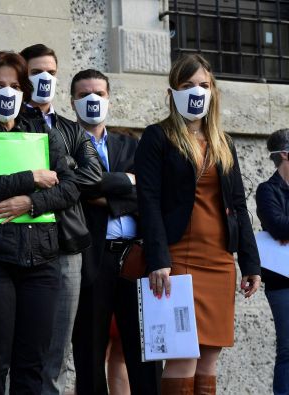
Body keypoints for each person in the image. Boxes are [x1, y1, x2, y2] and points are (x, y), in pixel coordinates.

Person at [0, 50, 80, 394]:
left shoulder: (43, 133)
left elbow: (69, 188)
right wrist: (33, 176)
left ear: (24, 92)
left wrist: (31, 202)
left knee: (32, 363)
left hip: (41, 262)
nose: (6, 92)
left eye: (14, 85)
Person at [135, 54, 261, 395]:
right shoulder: (156, 137)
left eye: (204, 85)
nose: (197, 91)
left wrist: (250, 262)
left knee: (208, 359)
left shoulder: (224, 142)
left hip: (219, 261)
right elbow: (148, 201)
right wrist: (158, 259)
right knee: (181, 356)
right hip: (177, 260)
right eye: (188, 85)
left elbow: (238, 205)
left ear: (214, 91)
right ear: (172, 92)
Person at [70, 69, 161, 395]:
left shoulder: (132, 145)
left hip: (136, 259)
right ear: (72, 101)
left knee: (145, 353)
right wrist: (126, 183)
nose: (92, 100)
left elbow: (151, 192)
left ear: (109, 99)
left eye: (99, 93)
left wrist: (104, 197)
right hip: (92, 259)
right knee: (90, 352)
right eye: (83, 95)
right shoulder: (65, 144)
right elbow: (78, 186)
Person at [18, 43, 103, 395]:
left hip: (67, 244)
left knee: (58, 349)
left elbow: (94, 173)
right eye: (36, 72)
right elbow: (8, 178)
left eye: (51, 72)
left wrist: (51, 179)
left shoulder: (72, 129)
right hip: (23, 245)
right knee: (21, 347)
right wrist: (64, 172)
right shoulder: (12, 124)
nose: (44, 78)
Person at [256, 128, 289, 395]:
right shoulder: (268, 190)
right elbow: (277, 226)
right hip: (283, 281)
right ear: (285, 156)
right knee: (288, 348)